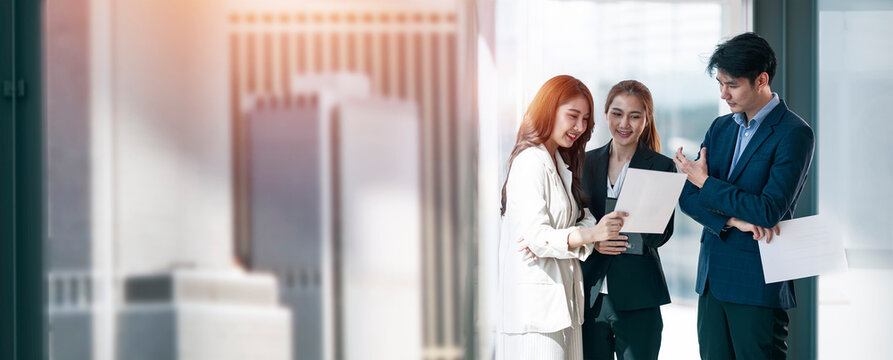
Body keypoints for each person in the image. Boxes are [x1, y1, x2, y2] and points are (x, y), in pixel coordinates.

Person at [673, 32, 815, 359]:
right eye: (720, 84)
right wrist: (733, 221)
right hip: (712, 279)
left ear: (761, 80)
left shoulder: (794, 133)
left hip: (757, 282)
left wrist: (706, 183)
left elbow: (768, 210)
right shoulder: (720, 129)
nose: (724, 94)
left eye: (732, 84)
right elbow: (687, 197)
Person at [497, 75, 629, 360]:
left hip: (563, 310)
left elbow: (584, 218)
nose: (579, 128)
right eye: (572, 116)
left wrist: (575, 233)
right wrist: (589, 236)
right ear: (548, 109)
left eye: (585, 119)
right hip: (534, 314)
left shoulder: (560, 163)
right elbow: (538, 235)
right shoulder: (530, 162)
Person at [579, 80, 676, 360]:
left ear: (646, 120)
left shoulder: (661, 166)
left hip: (639, 296)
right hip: (591, 295)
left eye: (635, 116)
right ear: (606, 114)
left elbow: (663, 235)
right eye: (617, 113)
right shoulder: (585, 163)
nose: (625, 123)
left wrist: (637, 224)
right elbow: (572, 223)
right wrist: (594, 241)